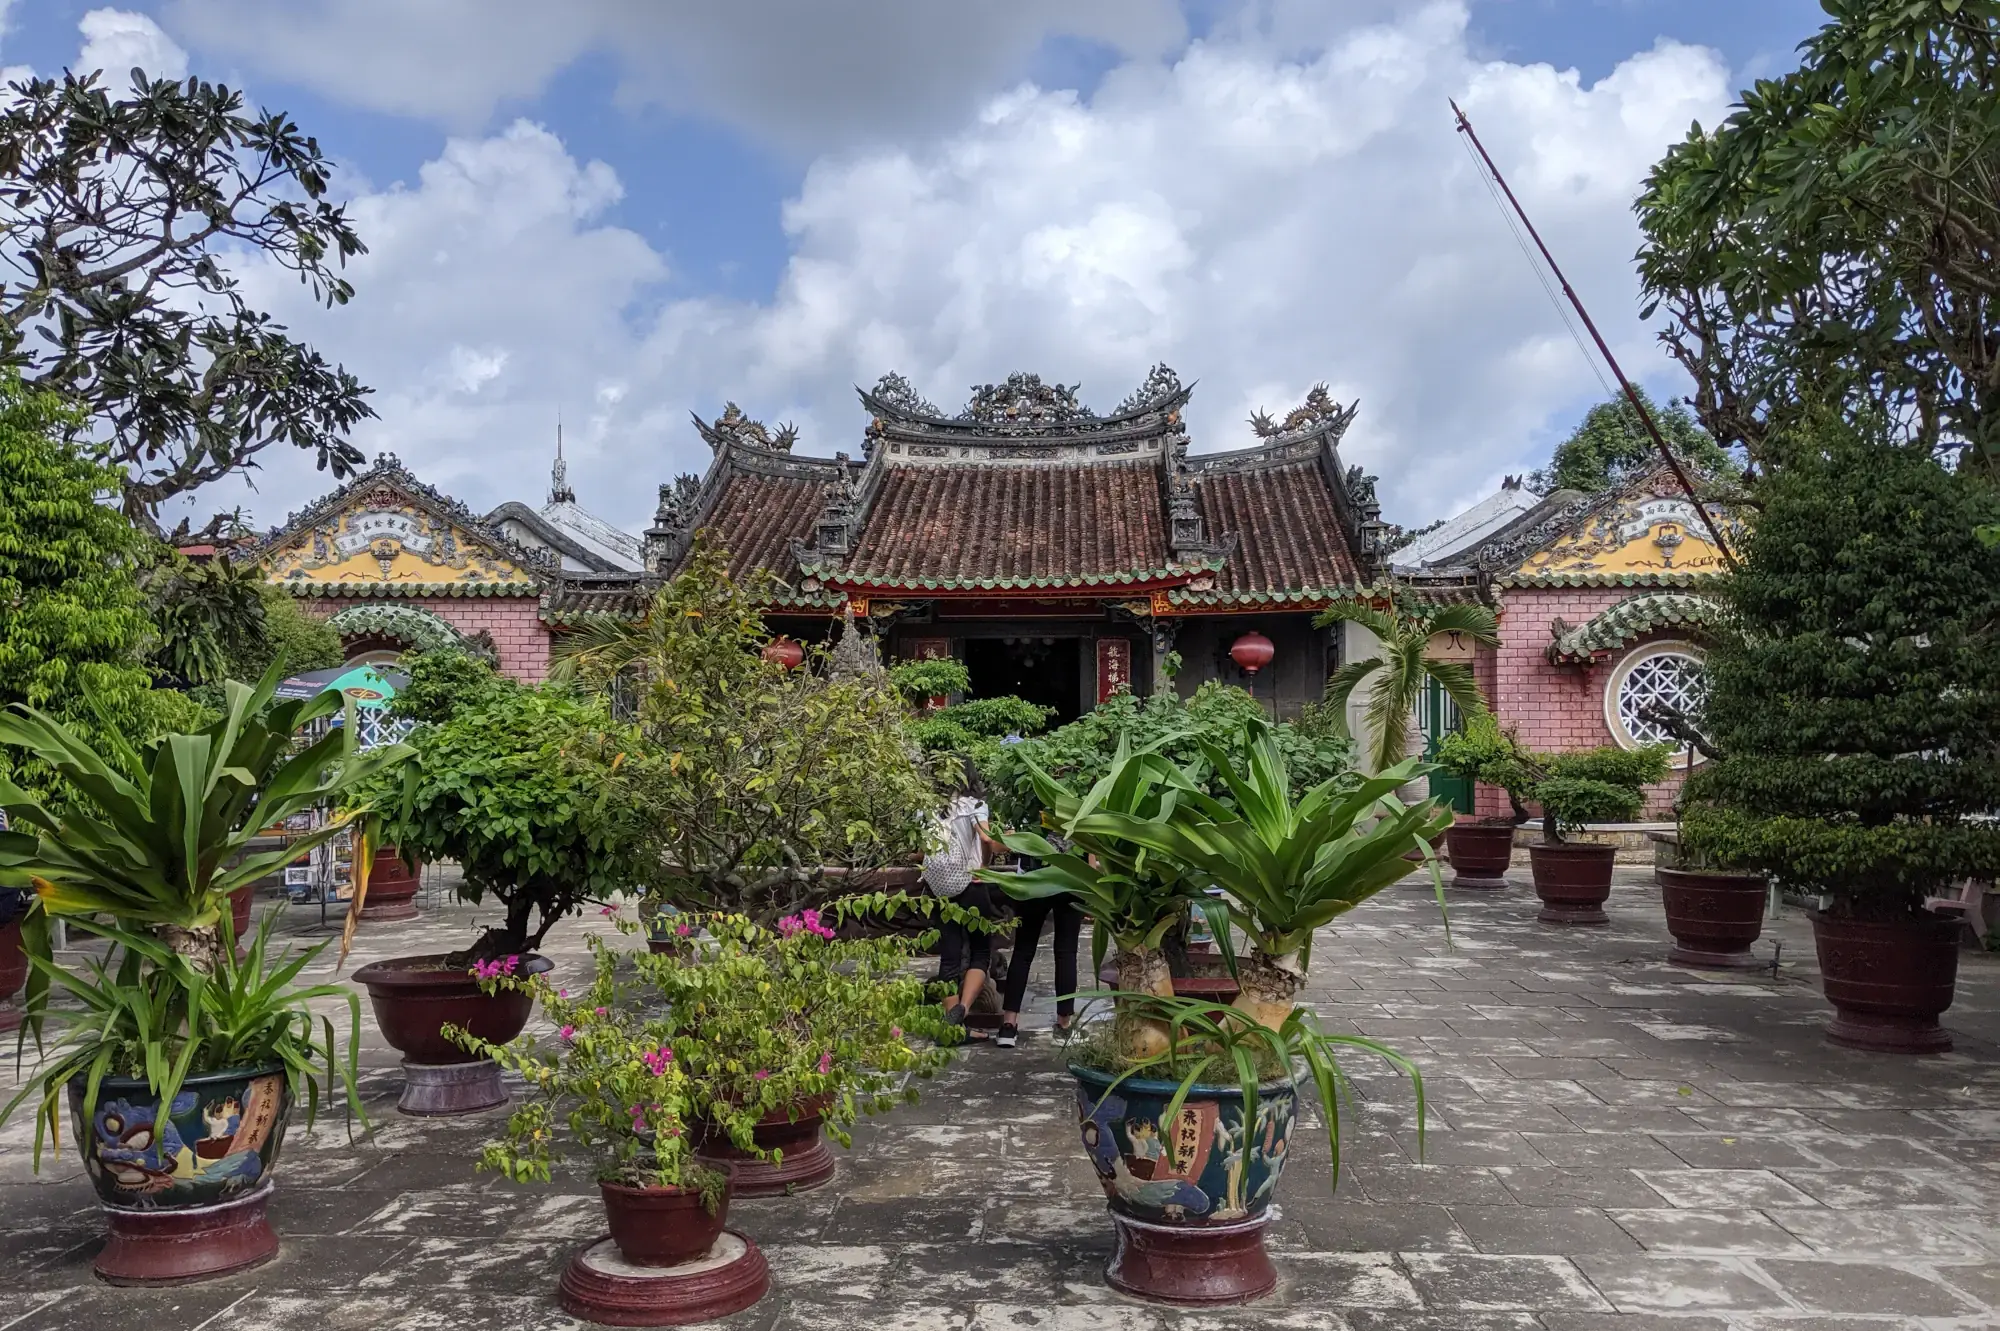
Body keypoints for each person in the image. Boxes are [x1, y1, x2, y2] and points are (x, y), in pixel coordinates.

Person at [926, 772, 1004, 1032]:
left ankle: (952, 1027)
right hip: (972, 885)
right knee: (981, 952)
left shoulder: (926, 807)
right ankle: (965, 1008)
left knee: (949, 956)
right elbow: (986, 839)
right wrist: (984, 865)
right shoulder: (975, 805)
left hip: (939, 889)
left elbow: (917, 849)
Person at [995, 884, 1082, 1048]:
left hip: (1035, 878)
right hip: (1070, 878)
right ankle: (1064, 1025)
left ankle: (1009, 1024)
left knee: (1022, 952)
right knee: (1066, 952)